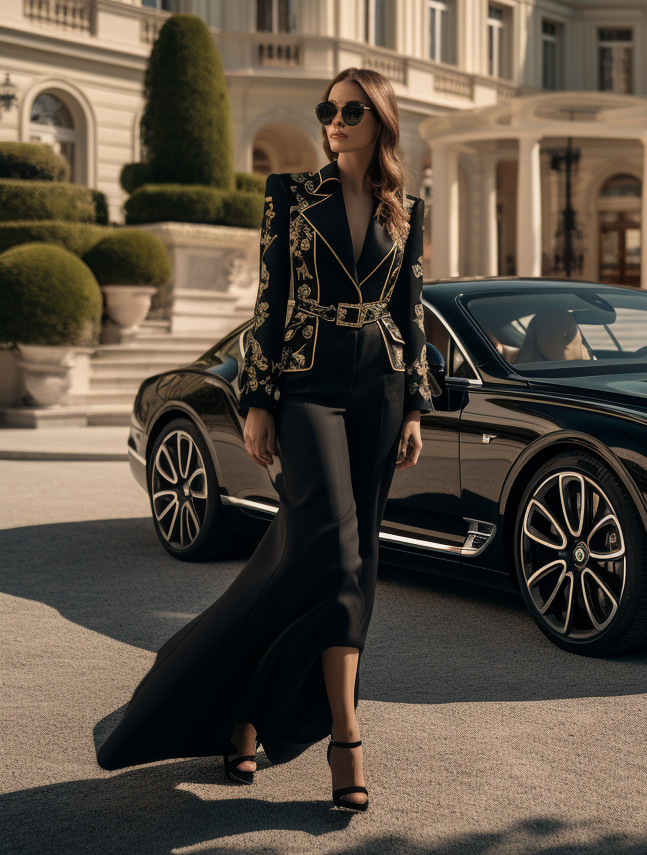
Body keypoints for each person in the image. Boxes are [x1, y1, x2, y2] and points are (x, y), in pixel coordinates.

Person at [96, 68, 433, 813]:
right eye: (327, 110)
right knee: (331, 548)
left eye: (350, 110)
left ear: (380, 121)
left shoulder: (406, 210)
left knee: (355, 562)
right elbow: (270, 299)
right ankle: (345, 739)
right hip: (309, 385)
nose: (334, 121)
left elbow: (410, 313)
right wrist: (257, 396)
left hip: (378, 389)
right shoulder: (290, 195)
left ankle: (252, 708)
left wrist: (414, 405)